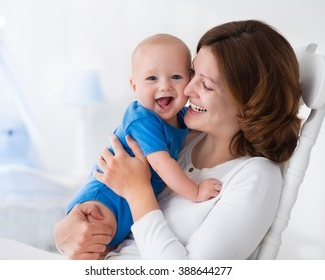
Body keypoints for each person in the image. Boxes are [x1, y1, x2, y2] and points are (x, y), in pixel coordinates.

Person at [54, 19, 302, 260]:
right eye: (192, 73)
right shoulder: (180, 139)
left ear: (249, 103)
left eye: (204, 84)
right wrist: (65, 235)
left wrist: (138, 191)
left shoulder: (255, 177)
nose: (186, 89)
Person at [64, 34, 222, 249]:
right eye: (151, 79)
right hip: (104, 199)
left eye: (176, 77)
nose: (164, 86)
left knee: (105, 251)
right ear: (134, 86)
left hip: (129, 204)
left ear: (189, 78)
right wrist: (195, 191)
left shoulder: (182, 117)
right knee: (91, 246)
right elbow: (162, 164)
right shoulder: (142, 118)